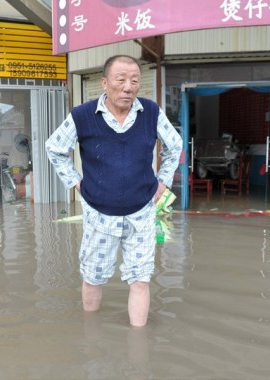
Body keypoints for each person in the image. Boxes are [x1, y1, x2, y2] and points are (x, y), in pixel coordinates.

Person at [45, 55, 182, 327]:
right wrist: (75, 182)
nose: (128, 87)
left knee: (141, 279)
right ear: (105, 83)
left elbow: (174, 145)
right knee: (93, 277)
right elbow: (55, 148)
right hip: (98, 213)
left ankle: (138, 345)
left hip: (142, 211)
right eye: (121, 80)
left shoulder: (151, 112)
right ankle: (91, 334)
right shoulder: (82, 116)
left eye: (134, 81)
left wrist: (164, 180)